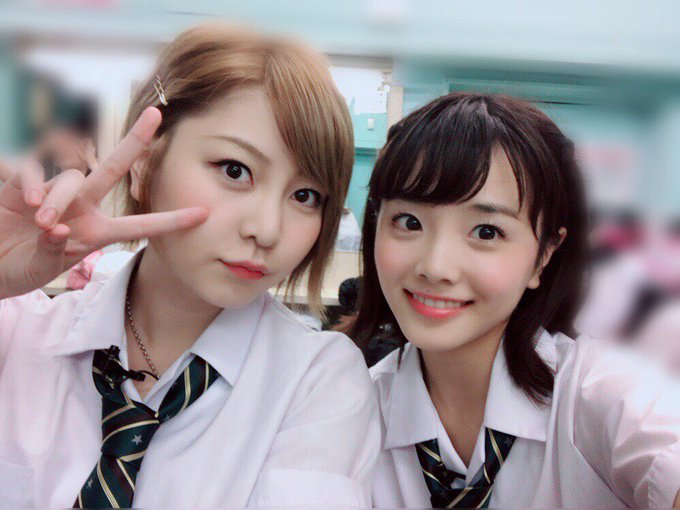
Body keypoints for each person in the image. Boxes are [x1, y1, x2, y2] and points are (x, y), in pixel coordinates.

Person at [0, 24, 378, 508]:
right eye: (235, 170)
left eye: (306, 196)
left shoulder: (317, 382)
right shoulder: (18, 334)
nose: (267, 230)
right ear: (144, 164)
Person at [345, 92, 680, 507]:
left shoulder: (600, 393)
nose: (435, 267)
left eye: (486, 232)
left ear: (544, 255)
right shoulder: (351, 412)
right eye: (409, 222)